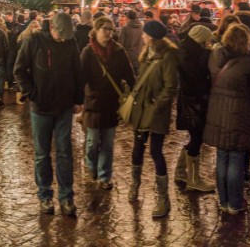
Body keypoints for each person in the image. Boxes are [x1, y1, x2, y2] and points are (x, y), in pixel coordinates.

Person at [13, 13, 84, 216]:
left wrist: (78, 99)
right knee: (42, 154)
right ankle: (44, 195)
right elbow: (19, 70)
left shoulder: (70, 43)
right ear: (51, 27)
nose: (62, 39)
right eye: (60, 35)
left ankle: (66, 196)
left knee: (65, 153)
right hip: (41, 107)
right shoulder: (34, 40)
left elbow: (77, 71)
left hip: (64, 107)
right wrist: (32, 93)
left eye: (65, 36)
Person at [126, 20, 179, 218]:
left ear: (151, 36)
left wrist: (156, 105)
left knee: (156, 151)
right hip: (141, 110)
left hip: (156, 112)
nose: (142, 36)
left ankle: (163, 198)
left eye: (145, 33)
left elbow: (170, 86)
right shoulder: (146, 54)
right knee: (137, 149)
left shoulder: (167, 56)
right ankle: (135, 184)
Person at [204, 23, 250, 214]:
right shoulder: (248, 61)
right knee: (236, 157)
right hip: (238, 112)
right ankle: (235, 203)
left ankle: (223, 200)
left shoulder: (215, 56)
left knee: (222, 156)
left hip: (217, 109)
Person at [79, 15, 135, 190]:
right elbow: (81, 78)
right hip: (93, 103)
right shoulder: (88, 52)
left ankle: (105, 176)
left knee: (108, 143)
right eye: (105, 29)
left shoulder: (118, 51)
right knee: (92, 141)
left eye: (111, 29)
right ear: (96, 30)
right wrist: (77, 100)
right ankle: (91, 166)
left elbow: (129, 74)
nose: (109, 33)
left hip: (111, 103)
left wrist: (134, 92)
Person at [173, 24, 216, 193]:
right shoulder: (192, 55)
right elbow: (197, 78)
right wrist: (207, 54)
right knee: (197, 138)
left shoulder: (186, 51)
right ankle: (193, 179)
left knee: (195, 137)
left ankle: (180, 172)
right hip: (194, 103)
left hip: (190, 101)